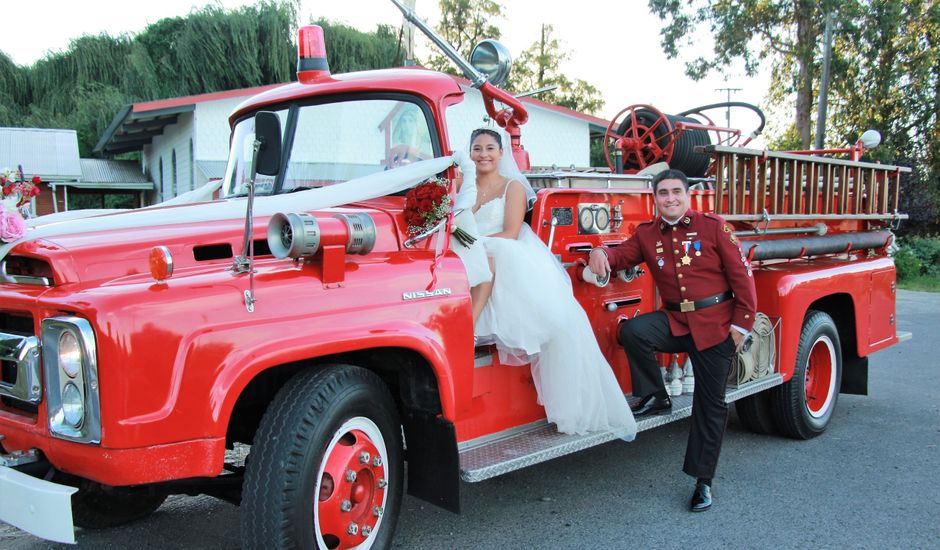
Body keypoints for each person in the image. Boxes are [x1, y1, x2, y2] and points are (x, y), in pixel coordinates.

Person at [588, 168, 757, 512]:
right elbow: (623, 255)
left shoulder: (714, 227)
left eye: (676, 192)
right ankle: (655, 395)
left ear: (687, 195)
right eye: (663, 193)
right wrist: (600, 253)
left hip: (715, 326)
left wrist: (739, 328)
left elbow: (743, 280)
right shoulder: (648, 233)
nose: (670, 198)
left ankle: (702, 482)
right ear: (655, 198)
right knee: (634, 331)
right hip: (677, 321)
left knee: (709, 407)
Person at [464, 128, 636, 439]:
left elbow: (511, 233)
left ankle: (467, 326)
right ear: (470, 153)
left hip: (507, 250)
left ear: (502, 153)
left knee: (488, 256)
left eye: (490, 147)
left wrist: (470, 242)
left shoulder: (512, 186)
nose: (484, 154)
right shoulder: (465, 187)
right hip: (474, 248)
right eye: (477, 148)